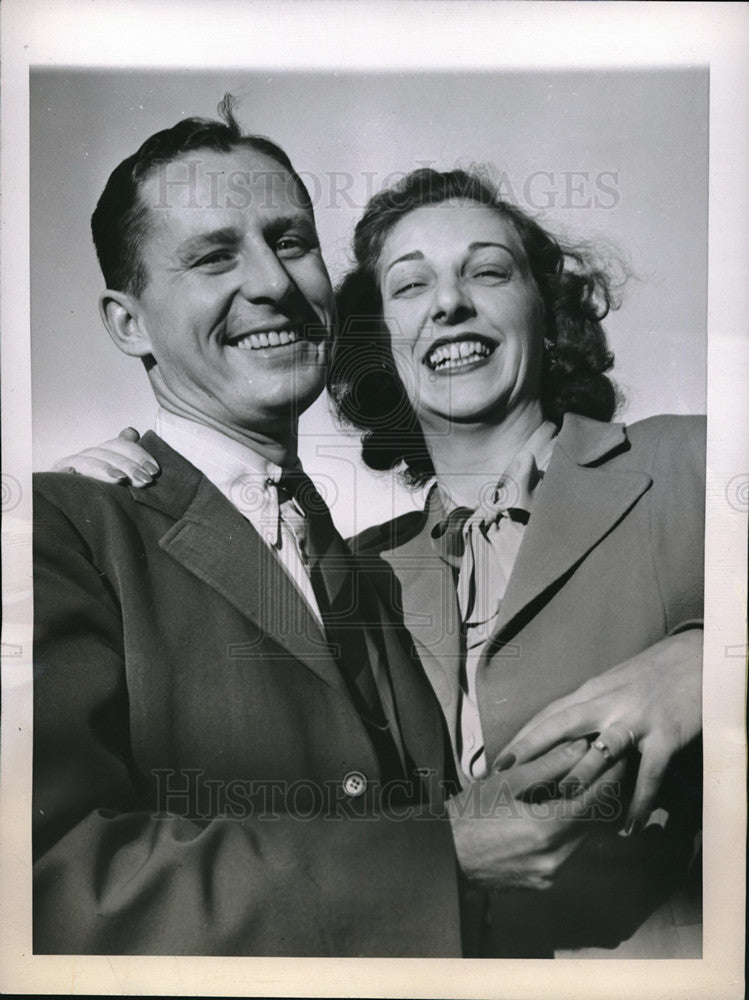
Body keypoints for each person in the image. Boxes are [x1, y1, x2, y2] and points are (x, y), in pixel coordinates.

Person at [34, 104, 616, 956]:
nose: (273, 282)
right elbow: (45, 886)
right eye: (212, 256)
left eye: (291, 241)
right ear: (128, 324)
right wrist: (440, 854)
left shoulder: (365, 562)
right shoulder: (63, 526)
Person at [328, 167, 704, 957]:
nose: (448, 303)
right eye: (408, 286)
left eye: (487, 271)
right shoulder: (352, 575)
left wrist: (710, 661)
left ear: (546, 308)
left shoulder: (691, 461)